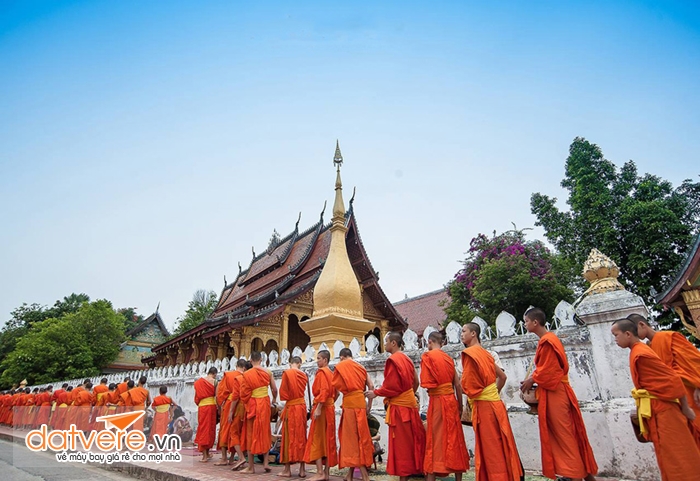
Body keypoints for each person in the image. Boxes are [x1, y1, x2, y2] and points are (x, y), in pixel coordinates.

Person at [611, 318, 700, 480]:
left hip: (668, 408)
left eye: (616, 335)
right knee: (669, 456)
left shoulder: (642, 353)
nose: (615, 339)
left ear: (629, 333)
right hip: (659, 407)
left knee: (678, 456)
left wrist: (687, 405)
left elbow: (673, 379)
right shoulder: (640, 351)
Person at [520, 307, 598, 481]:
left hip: (556, 392)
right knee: (567, 433)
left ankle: (575, 475)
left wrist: (531, 380)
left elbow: (550, 371)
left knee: (564, 435)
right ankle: (583, 474)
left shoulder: (548, 341)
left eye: (526, 321)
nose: (524, 325)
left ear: (535, 322)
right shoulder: (548, 340)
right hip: (556, 391)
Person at [461, 323, 523, 481]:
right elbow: (503, 377)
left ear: (473, 333)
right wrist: (492, 392)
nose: (461, 334)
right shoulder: (486, 354)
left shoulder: (470, 354)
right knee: (501, 444)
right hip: (496, 404)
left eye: (464, 331)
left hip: (485, 408)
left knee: (491, 449)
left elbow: (468, 386)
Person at [631, 313, 700, 444]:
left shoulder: (669, 337)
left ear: (642, 324)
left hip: (691, 391)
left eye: (635, 330)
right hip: (673, 397)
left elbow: (694, 361)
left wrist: (698, 385)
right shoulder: (648, 348)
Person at [366, 331, 426, 481]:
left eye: (386, 341)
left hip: (400, 409)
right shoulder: (407, 359)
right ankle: (419, 469)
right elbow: (416, 383)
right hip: (410, 405)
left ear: (393, 343)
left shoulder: (393, 360)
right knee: (414, 439)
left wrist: (376, 393)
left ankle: (404, 476)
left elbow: (392, 386)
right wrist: (408, 396)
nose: (384, 344)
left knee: (402, 442)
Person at [421, 331, 470, 481]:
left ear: (429, 342)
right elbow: (457, 384)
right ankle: (458, 478)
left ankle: (432, 477)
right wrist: (460, 405)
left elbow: (427, 383)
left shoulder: (427, 357)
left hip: (437, 401)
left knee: (435, 439)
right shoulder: (448, 359)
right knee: (455, 438)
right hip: (451, 401)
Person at [332, 348, 374, 481]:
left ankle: (365, 476)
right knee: (361, 438)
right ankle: (349, 475)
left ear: (342, 357)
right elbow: (371, 386)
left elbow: (336, 389)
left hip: (350, 405)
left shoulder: (341, 366)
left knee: (352, 441)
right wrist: (369, 405)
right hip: (361, 403)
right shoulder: (361, 367)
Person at [240, 351, 278, 474]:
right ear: (261, 359)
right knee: (265, 431)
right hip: (265, 404)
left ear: (251, 360)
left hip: (253, 405)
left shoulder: (247, 374)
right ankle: (266, 463)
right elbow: (274, 389)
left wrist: (247, 402)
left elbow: (244, 394)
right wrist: (273, 399)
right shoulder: (267, 372)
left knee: (250, 433)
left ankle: (251, 467)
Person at [304, 350, 338, 481]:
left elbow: (323, 392)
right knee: (328, 439)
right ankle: (327, 473)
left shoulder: (322, 373)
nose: (317, 361)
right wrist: (330, 403)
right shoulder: (331, 373)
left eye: (319, 358)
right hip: (329, 408)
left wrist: (318, 408)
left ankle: (319, 472)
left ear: (325, 360)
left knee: (317, 438)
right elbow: (337, 393)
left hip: (322, 408)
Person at [278, 355, 308, 478]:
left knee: (287, 437)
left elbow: (284, 394)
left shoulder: (287, 373)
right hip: (301, 408)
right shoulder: (304, 375)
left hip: (291, 408)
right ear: (300, 363)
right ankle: (302, 470)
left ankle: (287, 470)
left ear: (290, 363)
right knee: (301, 437)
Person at [215, 362, 240, 466]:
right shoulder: (244, 376)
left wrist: (220, 405)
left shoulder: (228, 375)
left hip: (229, 404)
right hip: (239, 405)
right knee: (235, 431)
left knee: (225, 430)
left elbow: (220, 392)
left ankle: (224, 457)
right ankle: (232, 458)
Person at [227, 358, 250, 471]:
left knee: (234, 432)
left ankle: (241, 457)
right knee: (245, 432)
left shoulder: (239, 379)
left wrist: (230, 412)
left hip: (240, 408)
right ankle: (244, 456)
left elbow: (235, 397)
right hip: (250, 407)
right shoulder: (253, 378)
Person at [194, 366, 218, 462]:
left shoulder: (198, 382)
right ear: (214, 374)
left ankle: (205, 455)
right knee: (210, 429)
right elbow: (217, 396)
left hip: (202, 407)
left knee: (203, 428)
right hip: (212, 407)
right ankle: (206, 454)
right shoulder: (215, 382)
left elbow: (196, 398)